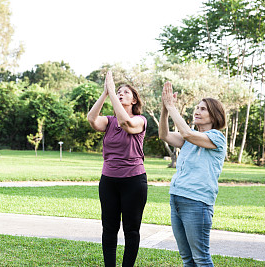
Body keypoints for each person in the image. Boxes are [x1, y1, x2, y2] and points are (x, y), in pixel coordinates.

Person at [158, 81, 227, 267]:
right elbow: (164, 135)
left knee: (201, 259)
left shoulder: (217, 137)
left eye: (203, 109)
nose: (197, 111)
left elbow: (188, 134)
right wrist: (165, 108)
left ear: (214, 115)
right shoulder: (188, 138)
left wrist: (172, 106)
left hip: (197, 203)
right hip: (177, 198)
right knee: (188, 259)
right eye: (197, 107)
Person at [87, 71, 148, 267]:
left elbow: (127, 123)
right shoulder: (109, 121)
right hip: (109, 181)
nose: (121, 94)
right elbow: (91, 119)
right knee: (109, 228)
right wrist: (105, 93)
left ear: (134, 100)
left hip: (134, 180)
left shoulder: (140, 120)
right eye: (118, 92)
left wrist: (112, 92)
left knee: (131, 229)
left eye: (125, 93)